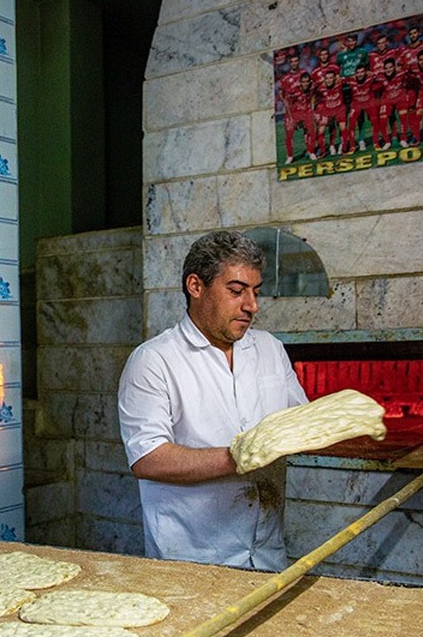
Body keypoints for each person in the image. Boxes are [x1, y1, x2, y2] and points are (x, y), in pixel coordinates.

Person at [117, 231, 308, 571]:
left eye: (255, 291)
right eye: (236, 291)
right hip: (193, 560)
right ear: (196, 286)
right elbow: (148, 458)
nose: (252, 305)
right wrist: (240, 456)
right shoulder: (155, 360)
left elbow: (298, 423)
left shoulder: (269, 350)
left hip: (266, 554)